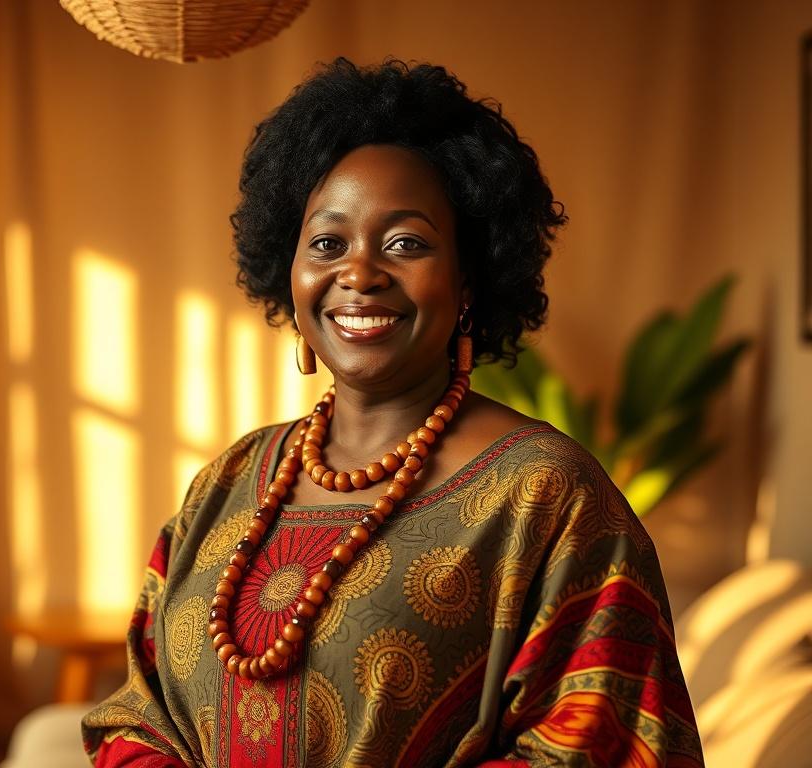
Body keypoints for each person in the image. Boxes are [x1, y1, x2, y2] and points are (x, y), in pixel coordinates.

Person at [82, 58, 705, 767]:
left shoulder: (550, 496)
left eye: (405, 243)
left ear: (468, 280)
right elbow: (138, 714)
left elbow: (603, 744)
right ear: (288, 271)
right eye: (327, 243)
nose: (359, 273)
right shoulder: (228, 480)